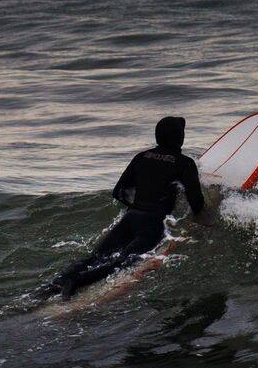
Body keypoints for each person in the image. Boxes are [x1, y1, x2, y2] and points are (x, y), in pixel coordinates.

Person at [49, 116, 208, 299]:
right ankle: (77, 282)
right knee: (123, 261)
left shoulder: (142, 157)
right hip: (152, 223)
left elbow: (118, 192)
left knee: (95, 256)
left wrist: (138, 206)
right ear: (179, 138)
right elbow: (196, 202)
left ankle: (53, 286)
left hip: (130, 218)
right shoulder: (184, 163)